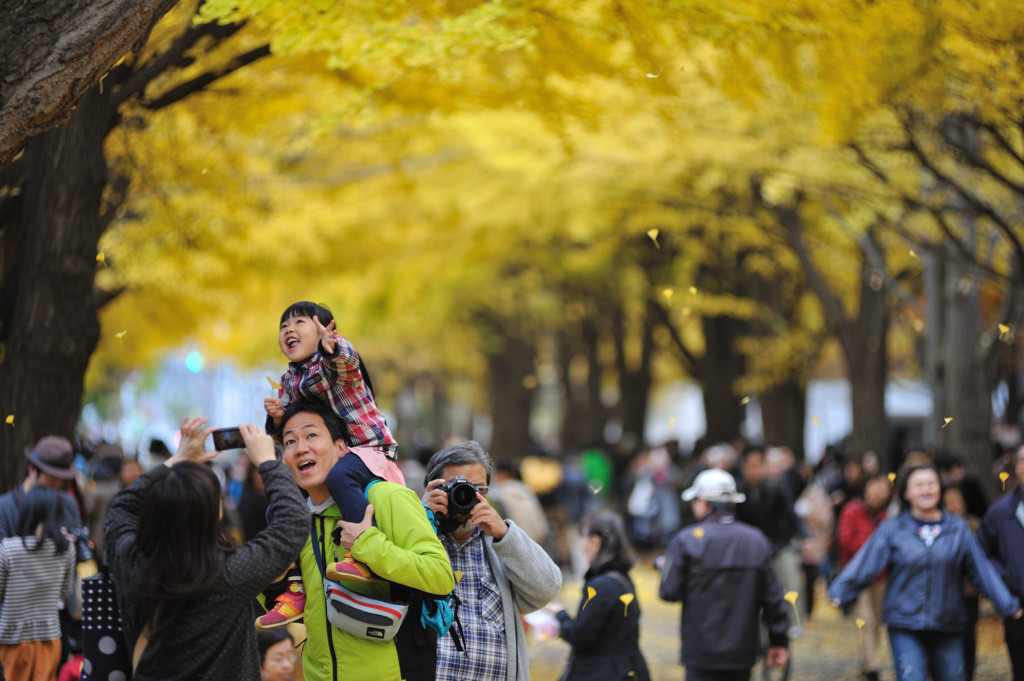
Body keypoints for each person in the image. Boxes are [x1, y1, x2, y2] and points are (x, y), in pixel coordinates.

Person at [103, 417, 308, 680]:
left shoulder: (131, 560)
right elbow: (294, 526)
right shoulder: (228, 572)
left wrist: (176, 461)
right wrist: (268, 461)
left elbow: (120, 508)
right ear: (213, 515)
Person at [279, 401, 454, 681]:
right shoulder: (298, 521)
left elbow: (441, 577)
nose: (301, 448)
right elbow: (312, 611)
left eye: (311, 435)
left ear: (340, 448)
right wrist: (273, 581)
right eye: (290, 441)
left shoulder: (387, 498)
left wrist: (367, 544)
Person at [259, 301, 405, 627]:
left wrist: (332, 347)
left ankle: (363, 552)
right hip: (332, 457)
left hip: (366, 450)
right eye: (283, 326)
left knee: (341, 476)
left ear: (326, 329)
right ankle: (294, 588)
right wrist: (277, 419)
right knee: (280, 508)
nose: (289, 330)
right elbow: (288, 434)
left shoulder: (332, 360)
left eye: (299, 323)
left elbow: (344, 365)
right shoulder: (288, 380)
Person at [829, 462, 1023, 681]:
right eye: (919, 485)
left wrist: (1007, 604)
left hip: (947, 621)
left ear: (939, 489)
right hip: (905, 622)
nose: (926, 490)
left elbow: (981, 569)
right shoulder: (893, 529)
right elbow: (867, 562)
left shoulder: (957, 528)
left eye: (931, 484)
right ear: (906, 492)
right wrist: (841, 589)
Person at [422, 440, 562, 681]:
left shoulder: (500, 544)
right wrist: (421, 517)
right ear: (433, 488)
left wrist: (505, 534)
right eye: (454, 487)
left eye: (478, 489)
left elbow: (547, 588)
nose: (466, 496)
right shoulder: (417, 538)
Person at [659, 468, 790, 681]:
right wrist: (779, 641)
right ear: (733, 503)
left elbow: (669, 591)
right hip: (742, 650)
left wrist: (666, 569)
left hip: (700, 652)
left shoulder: (687, 540)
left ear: (702, 502)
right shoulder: (756, 540)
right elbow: (774, 598)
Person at [547, 509, 650, 681]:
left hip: (602, 672)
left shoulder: (601, 586)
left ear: (595, 542)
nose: (581, 547)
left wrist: (560, 615)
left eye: (583, 539)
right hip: (626, 669)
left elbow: (581, 636)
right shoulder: (622, 579)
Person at [0, 486, 77, 680]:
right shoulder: (66, 550)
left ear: (26, 512)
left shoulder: (9, 548)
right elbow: (64, 593)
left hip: (13, 639)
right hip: (50, 639)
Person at [836, 473, 891, 681]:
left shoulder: (888, 516)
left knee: (876, 621)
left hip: (881, 576)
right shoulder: (852, 510)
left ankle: (867, 659)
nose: (877, 492)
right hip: (857, 576)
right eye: (874, 487)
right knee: (865, 619)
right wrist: (874, 550)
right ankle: (872, 665)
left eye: (882, 488)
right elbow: (845, 541)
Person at [978, 443, 1024, 681]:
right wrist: (1004, 580)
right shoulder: (1000, 512)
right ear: (1016, 467)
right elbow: (981, 554)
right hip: (1018, 607)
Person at [0, 435, 83, 539]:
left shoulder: (68, 503)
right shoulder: (4, 508)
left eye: (61, 480)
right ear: (32, 471)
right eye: (51, 480)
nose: (56, 485)